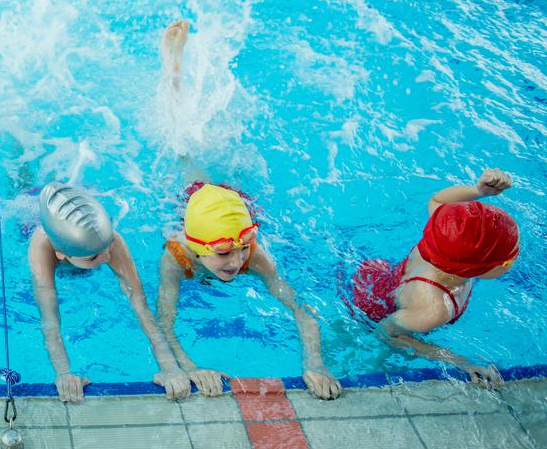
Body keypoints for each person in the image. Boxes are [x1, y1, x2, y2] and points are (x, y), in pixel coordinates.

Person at [158, 183, 342, 399]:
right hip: (190, 203)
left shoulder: (254, 256)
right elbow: (164, 322)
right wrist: (188, 367)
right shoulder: (176, 258)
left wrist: (315, 363)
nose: (236, 262)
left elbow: (300, 307)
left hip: (237, 206)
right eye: (224, 253)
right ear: (198, 249)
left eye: (244, 247)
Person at [351, 168, 519, 389]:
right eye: (509, 259)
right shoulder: (433, 309)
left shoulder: (444, 238)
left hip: (382, 275)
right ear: (478, 269)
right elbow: (387, 334)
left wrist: (478, 191)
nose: (516, 257)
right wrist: (460, 362)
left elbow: (437, 199)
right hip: (370, 308)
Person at [29, 182, 193, 403]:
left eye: (109, 246)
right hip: (27, 223)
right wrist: (63, 372)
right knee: (23, 185)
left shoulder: (109, 239)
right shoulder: (43, 249)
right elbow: (49, 320)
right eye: (93, 257)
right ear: (60, 254)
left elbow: (140, 304)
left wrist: (169, 366)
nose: (107, 257)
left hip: (72, 238)